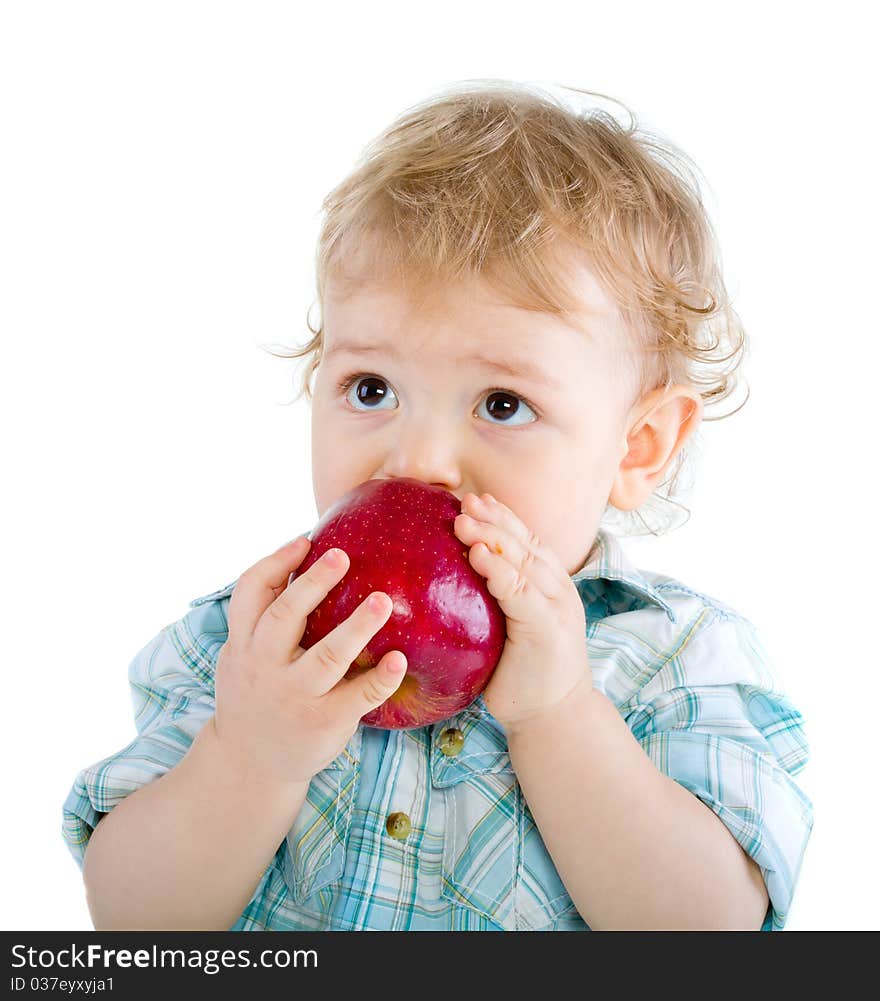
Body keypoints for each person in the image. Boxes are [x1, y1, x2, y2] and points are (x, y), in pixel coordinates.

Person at [62, 80, 813, 931]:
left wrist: (560, 714)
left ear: (637, 445)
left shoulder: (675, 660)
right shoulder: (249, 647)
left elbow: (710, 932)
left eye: (501, 403)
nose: (416, 462)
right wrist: (249, 756)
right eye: (371, 387)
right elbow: (132, 924)